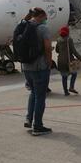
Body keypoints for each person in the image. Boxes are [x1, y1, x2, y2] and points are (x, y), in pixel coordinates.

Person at [22, 8, 53, 136]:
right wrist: (49, 62)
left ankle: (29, 119)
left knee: (33, 93)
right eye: (45, 18)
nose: (45, 21)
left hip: (26, 67)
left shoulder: (24, 25)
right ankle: (38, 126)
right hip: (39, 67)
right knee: (40, 96)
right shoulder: (42, 28)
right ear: (40, 16)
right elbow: (47, 47)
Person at [55, 26, 81, 96]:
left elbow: (57, 50)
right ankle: (71, 87)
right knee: (74, 73)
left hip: (60, 60)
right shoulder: (69, 39)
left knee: (64, 76)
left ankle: (65, 91)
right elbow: (73, 50)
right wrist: (79, 58)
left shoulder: (58, 39)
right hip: (69, 60)